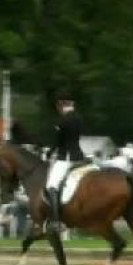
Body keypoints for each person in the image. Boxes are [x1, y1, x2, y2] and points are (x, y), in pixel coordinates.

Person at [45, 91, 85, 232]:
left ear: (61, 104)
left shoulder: (62, 120)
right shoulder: (79, 118)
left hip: (66, 157)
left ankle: (56, 221)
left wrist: (49, 152)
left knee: (52, 186)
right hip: (80, 156)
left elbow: (58, 141)